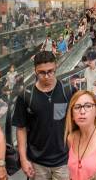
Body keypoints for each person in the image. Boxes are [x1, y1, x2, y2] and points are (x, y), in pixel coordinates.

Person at [13, 51, 74, 180]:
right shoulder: (26, 95)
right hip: (37, 162)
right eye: (42, 72)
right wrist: (23, 159)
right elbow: (21, 128)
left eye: (50, 71)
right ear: (35, 70)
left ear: (56, 67)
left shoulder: (68, 90)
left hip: (64, 160)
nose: (47, 76)